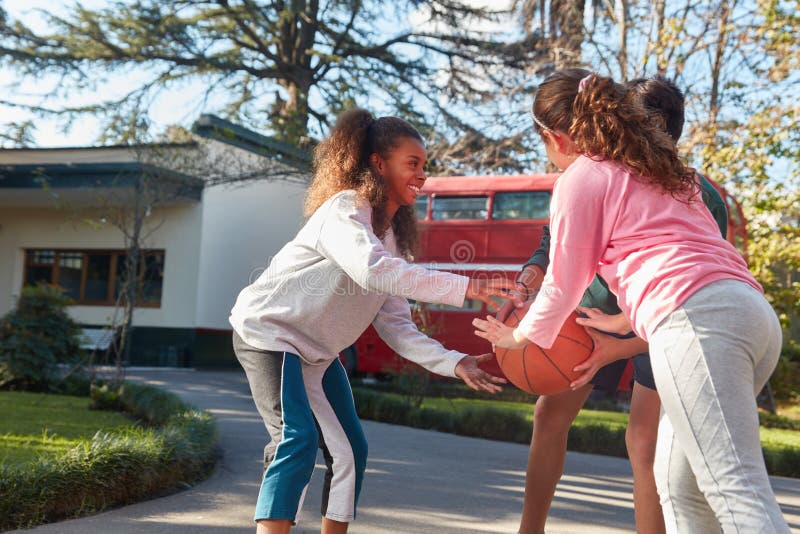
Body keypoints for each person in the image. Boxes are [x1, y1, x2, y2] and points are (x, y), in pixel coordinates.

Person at [474, 69, 789, 533]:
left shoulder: (584, 177)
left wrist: (518, 336)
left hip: (693, 324)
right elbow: (676, 256)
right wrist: (624, 323)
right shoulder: (666, 170)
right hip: (744, 313)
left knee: (736, 493)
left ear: (555, 136)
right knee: (679, 488)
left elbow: (563, 285)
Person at [230, 109, 513, 534]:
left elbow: (397, 325)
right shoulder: (343, 210)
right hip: (269, 335)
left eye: (424, 166)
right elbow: (372, 271)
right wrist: (467, 286)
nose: (422, 175)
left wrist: (455, 363)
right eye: (412, 163)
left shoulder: (391, 239)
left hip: (314, 355)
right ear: (379, 164)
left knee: (350, 451)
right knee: (296, 440)